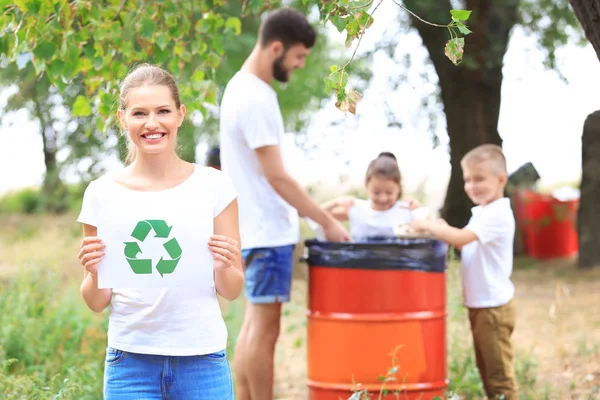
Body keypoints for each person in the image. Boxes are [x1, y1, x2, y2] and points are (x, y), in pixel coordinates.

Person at [76, 64, 244, 400]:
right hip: (129, 362)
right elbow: (97, 301)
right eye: (140, 113)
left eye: (163, 111)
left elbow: (232, 289)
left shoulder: (214, 185)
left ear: (180, 115)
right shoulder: (101, 193)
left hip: (202, 360)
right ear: (123, 119)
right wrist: (94, 274)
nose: (152, 123)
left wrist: (225, 265)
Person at [218, 7, 350, 400]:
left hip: (252, 227)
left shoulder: (238, 89)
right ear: (276, 47)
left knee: (253, 326)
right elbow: (276, 176)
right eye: (298, 56)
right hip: (267, 233)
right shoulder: (256, 97)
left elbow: (261, 178)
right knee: (265, 330)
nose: (300, 64)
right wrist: (325, 221)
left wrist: (316, 209)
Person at [411, 144, 518, 399]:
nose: (472, 186)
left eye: (479, 179)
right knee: (486, 370)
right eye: (468, 180)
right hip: (482, 305)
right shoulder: (483, 212)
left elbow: (460, 239)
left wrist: (428, 225)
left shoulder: (498, 214)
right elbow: (461, 237)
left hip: (493, 307)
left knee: (499, 375)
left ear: (501, 179)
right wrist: (441, 227)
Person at [320, 152, 424, 240]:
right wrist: (336, 202)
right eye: (376, 192)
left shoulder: (406, 211)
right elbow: (315, 214)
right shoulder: (358, 210)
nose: (383, 199)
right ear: (367, 186)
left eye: (389, 193)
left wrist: (417, 211)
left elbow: (428, 227)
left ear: (399, 188)